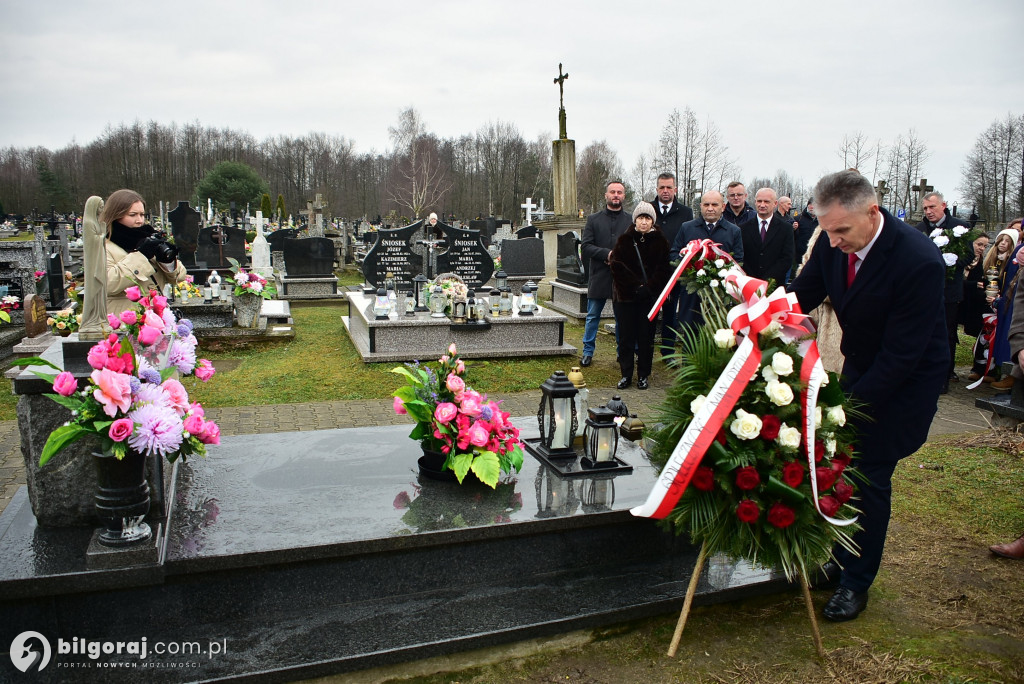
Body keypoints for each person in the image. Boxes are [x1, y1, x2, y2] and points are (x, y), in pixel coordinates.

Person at [788, 169, 947, 622]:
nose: (833, 242)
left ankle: (856, 582)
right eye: (827, 230)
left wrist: (841, 407)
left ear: (872, 213)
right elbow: (804, 294)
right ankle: (838, 559)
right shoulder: (832, 240)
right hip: (863, 366)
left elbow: (901, 357)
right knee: (839, 468)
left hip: (906, 382)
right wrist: (762, 318)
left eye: (842, 231)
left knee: (868, 474)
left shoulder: (918, 261)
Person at [609, 202, 670, 390]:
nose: (644, 222)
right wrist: (635, 287)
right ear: (635, 220)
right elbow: (617, 266)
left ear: (653, 221)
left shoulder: (661, 242)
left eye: (648, 218)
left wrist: (649, 288)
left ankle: (643, 374)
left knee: (646, 339)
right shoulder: (625, 240)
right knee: (626, 338)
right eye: (641, 218)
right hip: (626, 298)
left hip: (648, 300)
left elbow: (663, 269)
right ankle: (626, 374)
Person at [668, 191, 744, 340]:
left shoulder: (733, 231)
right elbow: (674, 254)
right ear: (700, 206)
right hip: (691, 293)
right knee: (690, 335)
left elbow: (739, 261)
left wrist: (719, 273)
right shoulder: (687, 228)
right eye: (706, 204)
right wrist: (690, 267)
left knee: (718, 335)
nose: (710, 208)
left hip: (720, 295)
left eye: (714, 204)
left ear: (723, 207)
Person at [917, 191, 972, 391]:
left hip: (949, 291)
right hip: (925, 291)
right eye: (925, 208)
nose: (928, 212)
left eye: (932, 207)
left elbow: (969, 256)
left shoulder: (960, 227)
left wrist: (950, 263)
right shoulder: (920, 229)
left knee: (947, 333)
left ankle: (943, 377)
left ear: (943, 205)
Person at [101, 189, 187, 315]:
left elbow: (179, 277)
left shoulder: (147, 238)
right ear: (115, 215)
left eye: (142, 215)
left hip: (155, 320)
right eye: (132, 215)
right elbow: (108, 284)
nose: (139, 220)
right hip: (123, 323)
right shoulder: (104, 246)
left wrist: (167, 261)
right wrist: (141, 256)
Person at [580, 180, 632, 367]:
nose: (616, 195)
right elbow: (585, 246)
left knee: (622, 318)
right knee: (593, 315)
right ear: (606, 195)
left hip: (622, 277)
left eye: (619, 192)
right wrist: (607, 254)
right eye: (612, 192)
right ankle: (587, 352)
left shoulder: (630, 220)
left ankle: (622, 352)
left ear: (624, 196)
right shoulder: (593, 219)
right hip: (600, 274)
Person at [652, 173, 695, 356]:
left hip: (675, 272)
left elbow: (688, 240)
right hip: (652, 273)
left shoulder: (685, 212)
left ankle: (668, 350)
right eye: (662, 187)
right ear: (657, 189)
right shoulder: (649, 209)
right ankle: (645, 349)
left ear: (675, 189)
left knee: (670, 313)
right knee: (651, 312)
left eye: (669, 187)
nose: (665, 191)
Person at [983, 226, 1021, 388]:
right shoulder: (1019, 251)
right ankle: (1001, 371)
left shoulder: (1018, 251)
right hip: (1009, 301)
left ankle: (1012, 375)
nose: (1003, 244)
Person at [739, 187, 795, 287]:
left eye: (766, 201)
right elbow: (741, 257)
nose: (762, 205)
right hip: (749, 285)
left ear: (775, 203)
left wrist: (767, 281)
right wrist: (753, 281)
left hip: (774, 286)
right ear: (755, 202)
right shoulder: (743, 228)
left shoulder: (786, 229)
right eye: (759, 201)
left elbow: (786, 258)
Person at [961, 234, 990, 341]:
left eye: (985, 246)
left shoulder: (978, 259)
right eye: (979, 244)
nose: (982, 248)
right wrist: (973, 284)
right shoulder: (961, 257)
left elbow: (977, 278)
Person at [794, 198, 818, 270]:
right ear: (808, 205)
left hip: (816, 255)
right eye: (811, 204)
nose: (813, 207)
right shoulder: (798, 219)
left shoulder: (822, 220)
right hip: (801, 256)